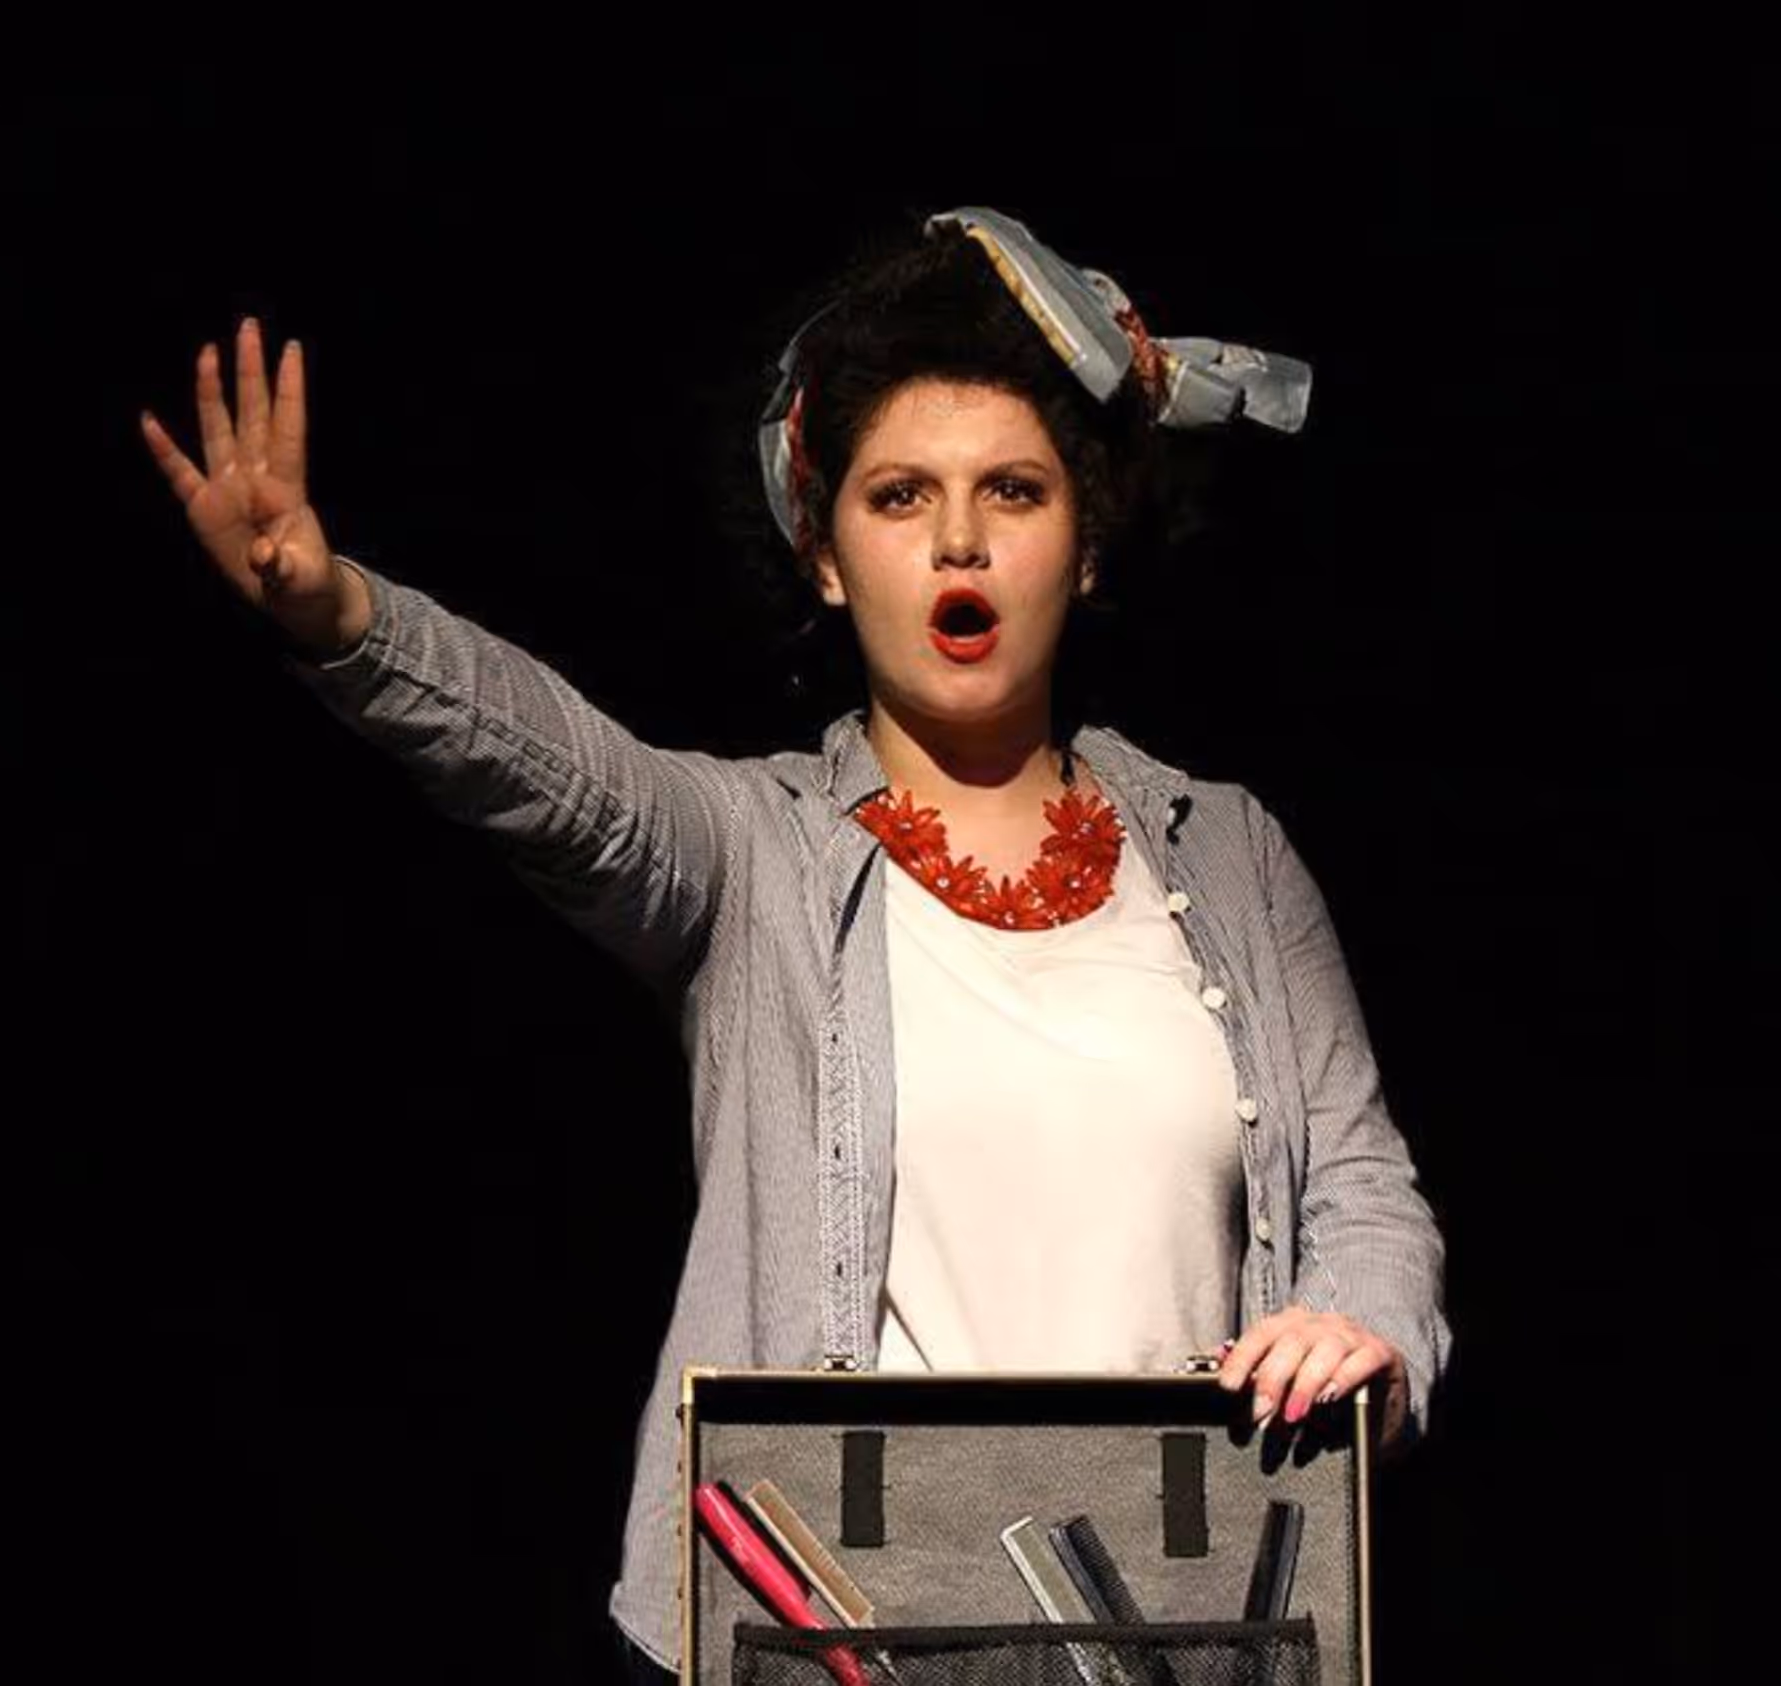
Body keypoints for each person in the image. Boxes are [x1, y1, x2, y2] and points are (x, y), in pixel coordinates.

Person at [139, 205, 1451, 1684]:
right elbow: (558, 768)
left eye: (1011, 491)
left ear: (1085, 547)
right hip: (840, 1630)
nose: (958, 538)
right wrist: (343, 616)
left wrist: (1367, 1322)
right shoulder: (753, 853)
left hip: (1164, 1618)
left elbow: (1363, 1186)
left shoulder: (1231, 851)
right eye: (898, 497)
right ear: (827, 556)